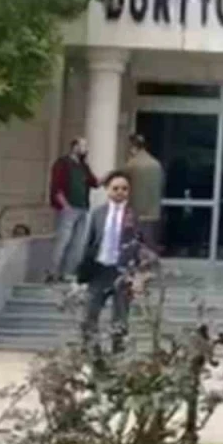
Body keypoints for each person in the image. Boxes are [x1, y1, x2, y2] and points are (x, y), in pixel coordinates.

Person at [79, 171, 141, 354]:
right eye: (116, 188)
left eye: (124, 189)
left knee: (120, 319)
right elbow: (88, 243)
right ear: (107, 190)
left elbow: (139, 246)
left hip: (122, 272)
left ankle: (117, 357)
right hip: (99, 270)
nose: (120, 192)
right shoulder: (98, 214)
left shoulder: (133, 216)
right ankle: (92, 354)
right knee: (89, 316)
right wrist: (81, 274)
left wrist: (137, 275)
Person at [48, 137, 98, 282]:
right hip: (69, 207)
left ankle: (68, 273)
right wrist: (65, 205)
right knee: (62, 241)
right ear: (75, 147)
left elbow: (94, 182)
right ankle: (53, 272)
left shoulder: (83, 166)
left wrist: (111, 176)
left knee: (78, 244)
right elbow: (56, 186)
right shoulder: (63, 163)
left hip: (83, 208)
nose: (86, 149)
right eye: (83, 146)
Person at [124, 134, 164, 250]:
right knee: (150, 245)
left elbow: (124, 184)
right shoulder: (156, 164)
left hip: (137, 213)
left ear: (133, 147)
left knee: (136, 246)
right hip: (153, 213)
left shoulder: (132, 164)